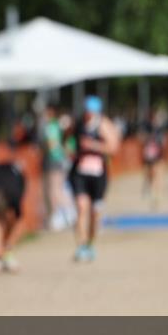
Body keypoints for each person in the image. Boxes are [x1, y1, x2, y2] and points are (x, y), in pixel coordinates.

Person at [69, 96, 120, 262]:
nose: (88, 114)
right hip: (80, 172)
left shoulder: (104, 125)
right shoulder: (78, 124)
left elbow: (113, 148)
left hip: (98, 174)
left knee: (95, 212)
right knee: (81, 207)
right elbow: (69, 141)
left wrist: (93, 145)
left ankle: (90, 243)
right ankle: (81, 245)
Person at [40, 104, 71, 230]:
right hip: (59, 159)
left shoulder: (51, 126)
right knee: (57, 188)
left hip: (53, 160)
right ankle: (66, 214)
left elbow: (52, 145)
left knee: (53, 190)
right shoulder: (57, 125)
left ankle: (59, 215)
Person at [140, 110, 166, 209]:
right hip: (149, 157)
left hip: (158, 156)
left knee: (158, 175)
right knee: (149, 174)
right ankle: (150, 189)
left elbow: (163, 142)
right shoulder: (146, 127)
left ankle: (156, 196)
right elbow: (141, 139)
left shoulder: (160, 129)